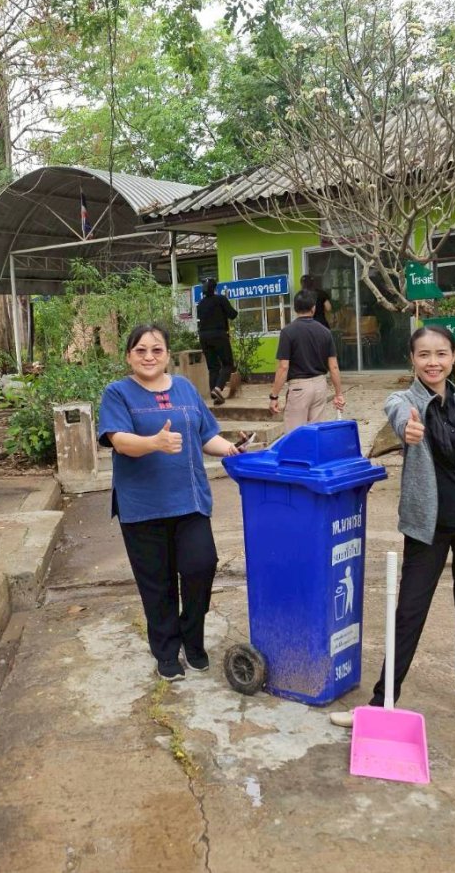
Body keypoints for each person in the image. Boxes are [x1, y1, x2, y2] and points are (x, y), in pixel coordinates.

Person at [330, 325, 455, 732]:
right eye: (424, 354)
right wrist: (408, 431)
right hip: (430, 525)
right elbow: (399, 419)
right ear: (412, 359)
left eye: (441, 354)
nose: (433, 362)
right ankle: (381, 702)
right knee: (410, 611)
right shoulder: (404, 402)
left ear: (454, 357)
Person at [98, 324, 243, 681]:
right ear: (129, 356)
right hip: (142, 507)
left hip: (189, 501)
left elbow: (206, 435)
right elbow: (119, 441)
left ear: (167, 355)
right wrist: (154, 443)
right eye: (141, 350)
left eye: (157, 350)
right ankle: (166, 650)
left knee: (201, 566)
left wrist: (231, 449)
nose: (149, 357)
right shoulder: (117, 393)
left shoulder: (185, 388)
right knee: (156, 583)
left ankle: (192, 639)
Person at [268, 289, 345, 431]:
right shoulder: (325, 332)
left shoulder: (288, 332)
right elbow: (334, 367)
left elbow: (283, 367)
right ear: (313, 308)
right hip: (320, 386)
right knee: (315, 433)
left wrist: (274, 396)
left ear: (295, 308)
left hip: (299, 388)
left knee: (296, 435)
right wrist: (338, 394)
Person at [195, 278, 237, 405]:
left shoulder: (200, 304)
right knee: (228, 364)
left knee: (213, 367)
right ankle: (218, 389)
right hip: (219, 335)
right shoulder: (220, 299)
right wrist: (226, 302)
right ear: (214, 288)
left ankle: (215, 396)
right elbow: (233, 314)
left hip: (204, 337)